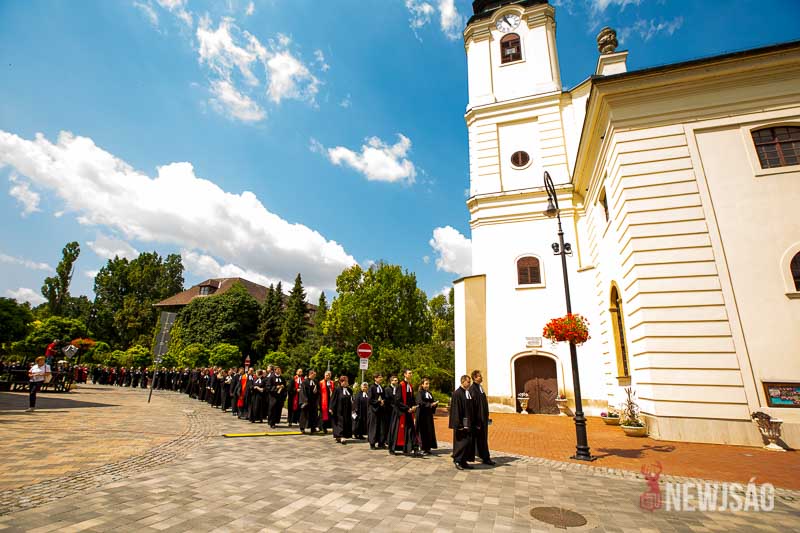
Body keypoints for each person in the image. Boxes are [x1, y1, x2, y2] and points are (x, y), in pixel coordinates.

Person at [388, 369, 419, 456]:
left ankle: (414, 448)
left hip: (408, 412)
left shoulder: (410, 385)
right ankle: (392, 448)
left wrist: (414, 406)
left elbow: (412, 398)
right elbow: (397, 401)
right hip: (400, 412)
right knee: (397, 430)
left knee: (411, 430)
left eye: (411, 373)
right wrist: (407, 408)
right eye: (409, 373)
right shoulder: (400, 385)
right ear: (405, 374)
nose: (411, 375)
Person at [468, 370, 495, 466]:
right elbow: (473, 407)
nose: (481, 377)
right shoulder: (472, 389)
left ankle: (483, 456)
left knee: (482, 438)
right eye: (479, 376)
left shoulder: (480, 388)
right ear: (475, 377)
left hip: (483, 418)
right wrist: (476, 420)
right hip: (478, 419)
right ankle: (485, 457)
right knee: (480, 438)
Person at [449, 375, 476, 470]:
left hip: (468, 422)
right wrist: (458, 424)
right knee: (461, 442)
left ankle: (464, 461)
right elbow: (456, 410)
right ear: (463, 381)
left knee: (468, 442)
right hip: (461, 423)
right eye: (468, 382)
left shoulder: (466, 392)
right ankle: (457, 460)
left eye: (470, 382)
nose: (469, 384)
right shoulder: (457, 393)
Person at [415, 377, 439, 455]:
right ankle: (422, 448)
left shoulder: (429, 393)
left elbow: (431, 402)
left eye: (428, 384)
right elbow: (420, 403)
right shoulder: (419, 393)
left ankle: (427, 448)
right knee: (422, 432)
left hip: (428, 415)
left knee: (428, 431)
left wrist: (435, 404)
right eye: (426, 384)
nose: (427, 385)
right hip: (421, 415)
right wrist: (430, 405)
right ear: (422, 385)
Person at [329, 375, 353, 444]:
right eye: (345, 381)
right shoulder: (337, 389)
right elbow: (333, 399)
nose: (346, 383)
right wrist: (331, 408)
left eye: (347, 381)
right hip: (338, 409)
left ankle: (340, 436)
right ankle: (341, 436)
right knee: (339, 423)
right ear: (341, 382)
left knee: (345, 422)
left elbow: (351, 399)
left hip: (347, 410)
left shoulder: (349, 390)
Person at [367, 373, 387, 449]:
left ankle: (381, 442)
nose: (381, 378)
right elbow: (370, 399)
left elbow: (384, 397)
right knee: (374, 427)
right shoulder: (372, 387)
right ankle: (372, 443)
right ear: (375, 378)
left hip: (381, 410)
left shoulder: (381, 387)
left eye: (381, 377)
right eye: (379, 377)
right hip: (374, 410)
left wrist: (383, 401)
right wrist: (378, 402)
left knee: (381, 427)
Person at [299, 369, 320, 434]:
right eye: (314, 375)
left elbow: (319, 391)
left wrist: (316, 392)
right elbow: (303, 392)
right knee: (304, 415)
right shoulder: (305, 382)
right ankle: (302, 428)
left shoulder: (316, 382)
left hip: (313, 401)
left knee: (313, 415)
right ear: (310, 374)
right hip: (307, 401)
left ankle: (313, 428)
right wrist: (305, 401)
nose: (315, 376)